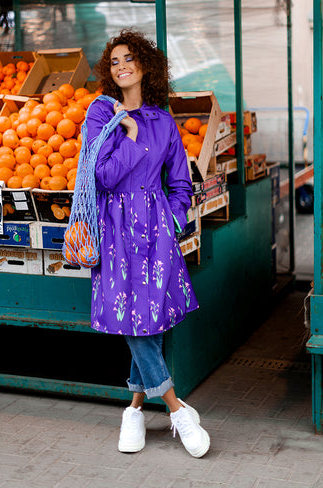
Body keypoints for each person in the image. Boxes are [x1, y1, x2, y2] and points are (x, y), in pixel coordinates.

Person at [86, 28, 210, 458]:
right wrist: (132, 139)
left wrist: (172, 219)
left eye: (129, 59)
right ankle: (176, 409)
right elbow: (100, 176)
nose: (121, 67)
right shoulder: (100, 116)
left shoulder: (165, 121)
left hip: (155, 230)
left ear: (145, 65)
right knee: (132, 318)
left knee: (150, 317)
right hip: (115, 227)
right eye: (114, 61)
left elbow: (180, 182)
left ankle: (134, 409)